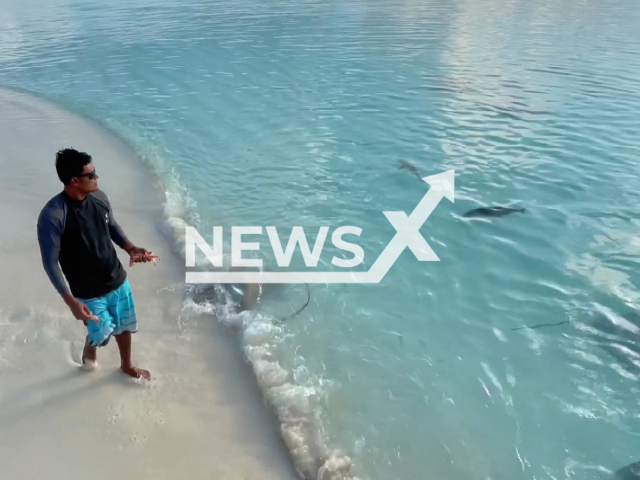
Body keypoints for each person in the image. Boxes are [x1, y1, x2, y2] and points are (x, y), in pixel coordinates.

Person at [37, 148, 157, 379]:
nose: (97, 178)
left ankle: (127, 365)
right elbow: (50, 263)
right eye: (91, 175)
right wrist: (70, 301)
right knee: (101, 335)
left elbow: (111, 225)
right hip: (87, 292)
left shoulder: (100, 198)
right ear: (74, 181)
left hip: (116, 278)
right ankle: (88, 363)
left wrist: (130, 248)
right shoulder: (53, 216)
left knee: (123, 326)